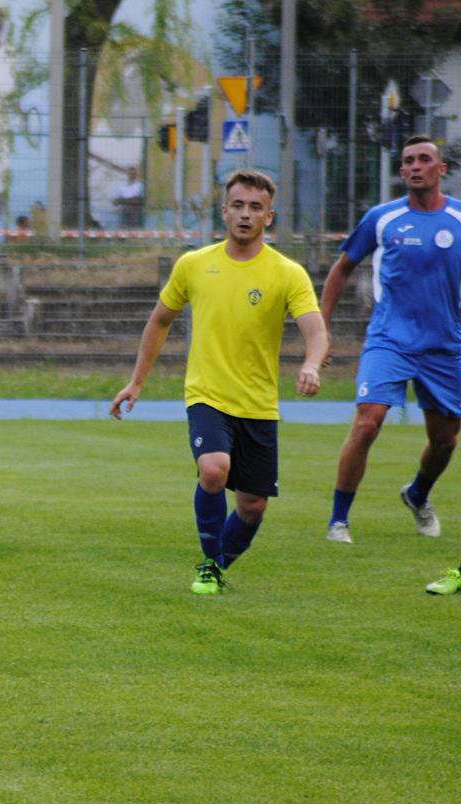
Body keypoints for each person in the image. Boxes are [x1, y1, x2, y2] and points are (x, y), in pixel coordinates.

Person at [110, 169, 328, 595]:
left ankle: (217, 565)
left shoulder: (287, 273)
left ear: (270, 217)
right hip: (206, 395)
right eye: (238, 205)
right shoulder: (194, 264)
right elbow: (160, 321)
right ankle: (208, 563)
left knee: (252, 505)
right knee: (213, 470)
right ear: (224, 210)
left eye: (256, 208)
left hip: (258, 403)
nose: (245, 214)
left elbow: (316, 331)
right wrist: (137, 382)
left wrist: (313, 364)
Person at [320, 135, 461, 544]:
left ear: (441, 169)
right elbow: (341, 268)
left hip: (445, 346)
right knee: (367, 423)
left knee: (444, 439)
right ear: (401, 173)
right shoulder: (381, 218)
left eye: (424, 160)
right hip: (389, 340)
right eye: (408, 161)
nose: (416, 166)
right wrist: (321, 329)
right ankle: (338, 521)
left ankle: (418, 495)